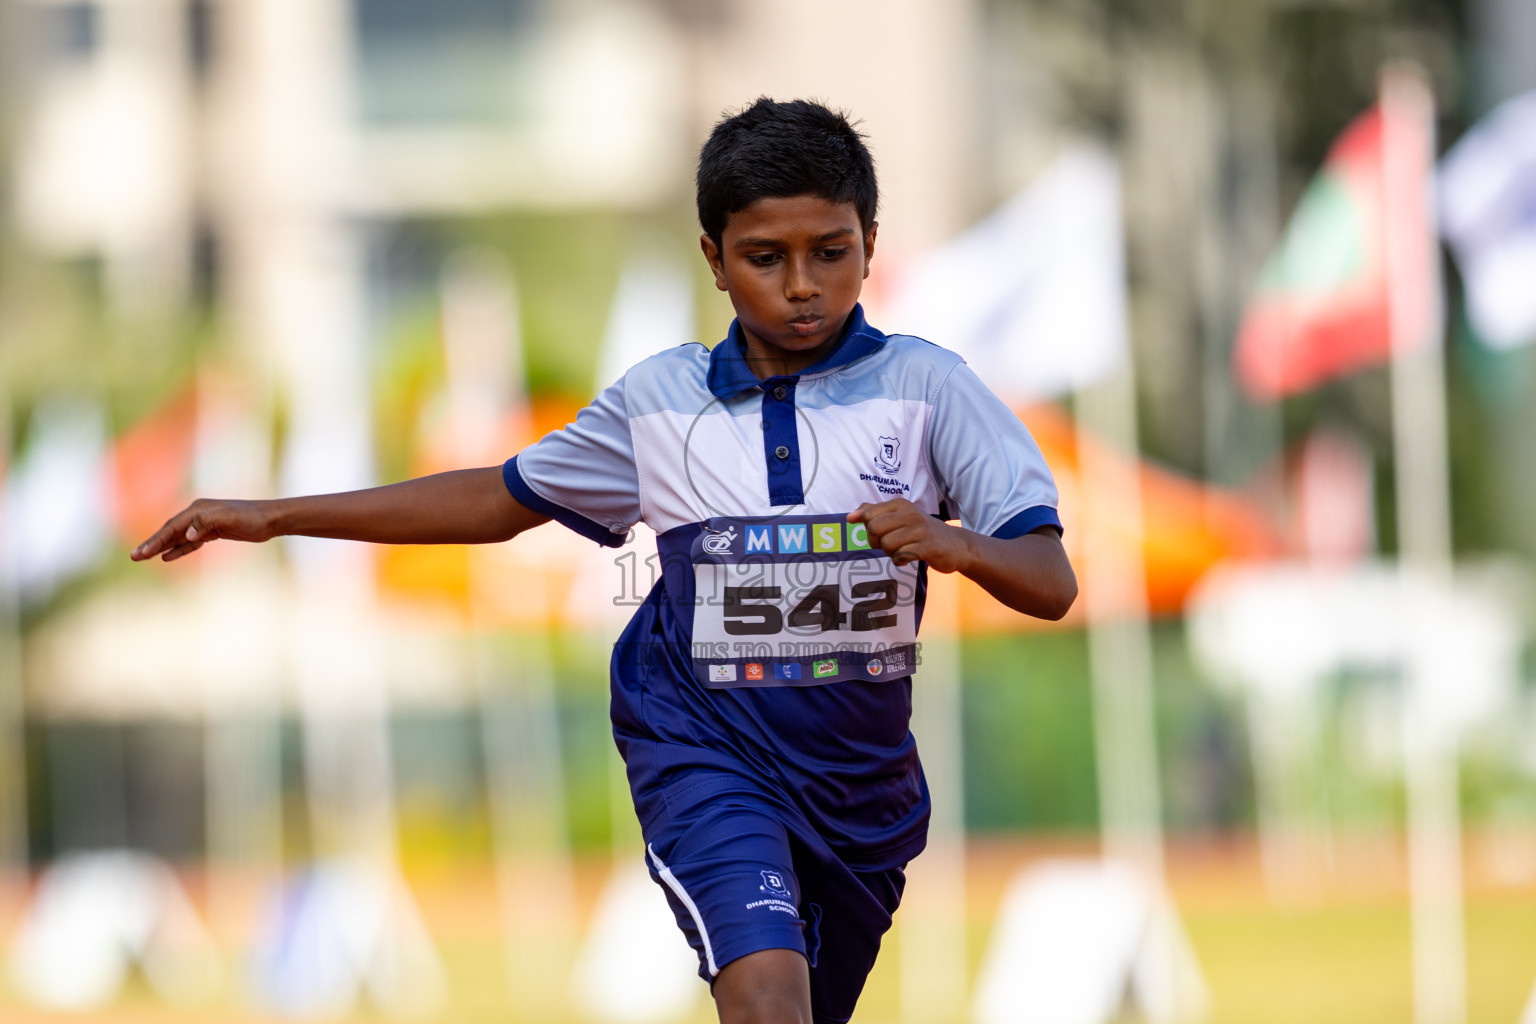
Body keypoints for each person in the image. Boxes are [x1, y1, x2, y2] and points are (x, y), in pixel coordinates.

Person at [134, 98, 1077, 1024]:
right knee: (766, 1000)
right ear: (713, 259)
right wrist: (272, 515)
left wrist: (958, 544)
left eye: (830, 252)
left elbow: (1052, 580)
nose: (801, 285)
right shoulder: (659, 403)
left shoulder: (930, 389)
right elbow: (499, 498)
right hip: (704, 753)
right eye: (764, 257)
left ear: (870, 240)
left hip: (859, 793)